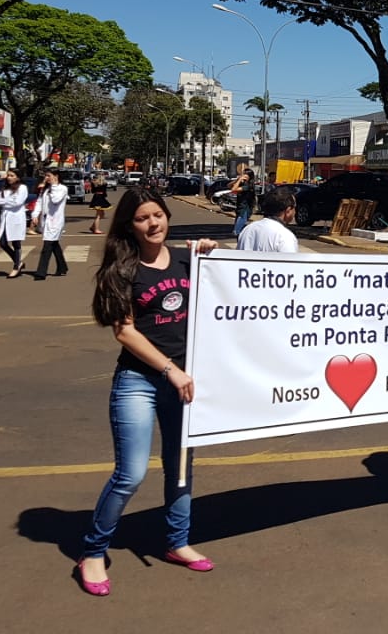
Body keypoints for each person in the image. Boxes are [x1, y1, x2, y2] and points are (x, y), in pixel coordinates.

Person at [76, 188, 219, 597]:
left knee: (179, 466)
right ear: (129, 225)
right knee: (130, 474)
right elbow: (124, 331)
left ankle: (177, 542)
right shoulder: (122, 269)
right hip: (139, 380)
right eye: (142, 218)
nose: (153, 223)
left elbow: (230, 289)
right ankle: (93, 551)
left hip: (186, 380)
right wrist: (170, 369)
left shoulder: (187, 260)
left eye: (158, 214)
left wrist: (214, 251)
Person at [31, 169, 70, 280]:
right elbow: (39, 202)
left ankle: (41, 272)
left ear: (56, 176)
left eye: (48, 176)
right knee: (54, 244)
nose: (46, 178)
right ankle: (62, 267)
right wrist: (34, 215)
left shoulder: (62, 189)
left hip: (55, 221)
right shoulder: (45, 189)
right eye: (46, 176)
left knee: (47, 246)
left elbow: (55, 200)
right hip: (45, 220)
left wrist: (53, 186)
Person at [237, 186, 299, 253]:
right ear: (288, 211)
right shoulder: (285, 237)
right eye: (295, 207)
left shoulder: (247, 229)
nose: (295, 211)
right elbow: (289, 262)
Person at [0, 168, 30, 278]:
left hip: (16, 219)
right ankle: (19, 262)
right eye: (8, 175)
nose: (9, 177)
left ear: (17, 177)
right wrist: (9, 201)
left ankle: (16, 267)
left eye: (11, 175)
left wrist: (5, 202)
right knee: (3, 243)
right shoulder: (5, 189)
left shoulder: (22, 188)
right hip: (6, 218)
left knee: (16, 243)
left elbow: (18, 202)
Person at [230, 168, 255, 237]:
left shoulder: (248, 186)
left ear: (249, 177)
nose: (243, 176)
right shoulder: (242, 183)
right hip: (239, 208)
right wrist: (238, 180)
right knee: (240, 232)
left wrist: (240, 180)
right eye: (243, 174)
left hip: (244, 210)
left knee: (236, 231)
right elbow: (229, 186)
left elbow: (233, 189)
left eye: (245, 175)